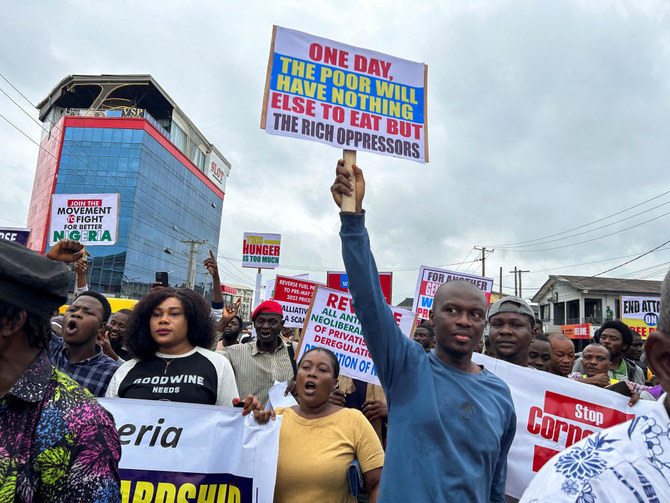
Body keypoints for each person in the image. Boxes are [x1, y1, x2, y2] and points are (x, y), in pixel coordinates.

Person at [331, 160, 516, 502]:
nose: (463, 320)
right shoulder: (406, 366)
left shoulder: (500, 396)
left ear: (484, 326)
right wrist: (352, 220)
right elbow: (369, 301)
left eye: (475, 314)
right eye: (452, 310)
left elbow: (495, 482)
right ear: (432, 317)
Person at [520, 269, 670, 502]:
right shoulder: (579, 485)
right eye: (587, 358)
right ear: (663, 361)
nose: (592, 362)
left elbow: (648, 395)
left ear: (610, 364)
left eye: (600, 359)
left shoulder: (630, 378)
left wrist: (633, 399)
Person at [0, 239, 121, 501]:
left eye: (86, 312)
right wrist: (46, 265)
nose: (75, 316)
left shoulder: (82, 425)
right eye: (73, 309)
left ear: (11, 322)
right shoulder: (52, 348)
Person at [106, 288, 258, 412]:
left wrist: (251, 413)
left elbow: (229, 424)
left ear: (191, 320)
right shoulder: (127, 369)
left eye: (174, 314)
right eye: (156, 314)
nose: (163, 320)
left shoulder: (217, 365)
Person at [273, 347, 384, 502]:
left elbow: (378, 483)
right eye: (305, 367)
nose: (312, 373)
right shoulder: (275, 418)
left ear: (334, 384)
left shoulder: (354, 421)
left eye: (322, 370)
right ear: (297, 377)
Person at [218, 300, 298, 407]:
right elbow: (204, 357)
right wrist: (223, 321)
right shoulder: (236, 353)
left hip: (285, 422)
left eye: (272, 322)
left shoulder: (297, 351)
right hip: (247, 422)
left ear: (281, 325)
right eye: (260, 321)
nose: (265, 326)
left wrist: (302, 385)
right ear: (254, 324)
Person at [572, 320, 645, 385]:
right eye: (603, 337)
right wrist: (589, 380)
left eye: (613, 339)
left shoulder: (635, 370)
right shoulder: (583, 362)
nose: (606, 341)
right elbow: (569, 387)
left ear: (624, 345)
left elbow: (641, 394)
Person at [488, 295, 536, 367]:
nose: (505, 331)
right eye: (497, 325)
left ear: (533, 334)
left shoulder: (542, 378)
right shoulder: (472, 376)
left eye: (516, 325)